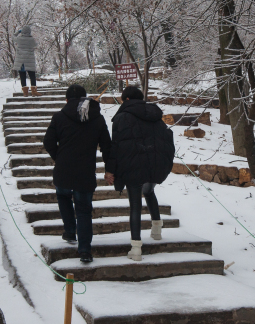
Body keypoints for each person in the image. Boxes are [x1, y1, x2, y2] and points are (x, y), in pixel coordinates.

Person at [106, 86, 175, 261]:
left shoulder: (121, 117)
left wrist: (111, 170)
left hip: (133, 164)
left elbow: (115, 146)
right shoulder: (156, 116)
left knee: (135, 204)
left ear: (127, 100)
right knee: (149, 191)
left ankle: (136, 249)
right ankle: (157, 231)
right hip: (155, 163)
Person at [43, 85, 111, 263]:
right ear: (85, 99)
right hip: (85, 172)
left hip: (64, 171)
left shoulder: (59, 117)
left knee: (63, 196)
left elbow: (48, 141)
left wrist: (58, 157)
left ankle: (70, 231)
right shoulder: (97, 118)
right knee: (83, 210)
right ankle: (85, 251)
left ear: (66, 100)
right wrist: (109, 168)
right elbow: (107, 146)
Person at [12, 25, 40, 97]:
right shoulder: (32, 40)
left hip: (21, 62)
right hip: (29, 61)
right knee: (32, 76)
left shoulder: (19, 39)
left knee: (22, 76)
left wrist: (18, 31)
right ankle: (34, 92)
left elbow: (13, 37)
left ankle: (25, 93)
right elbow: (36, 44)